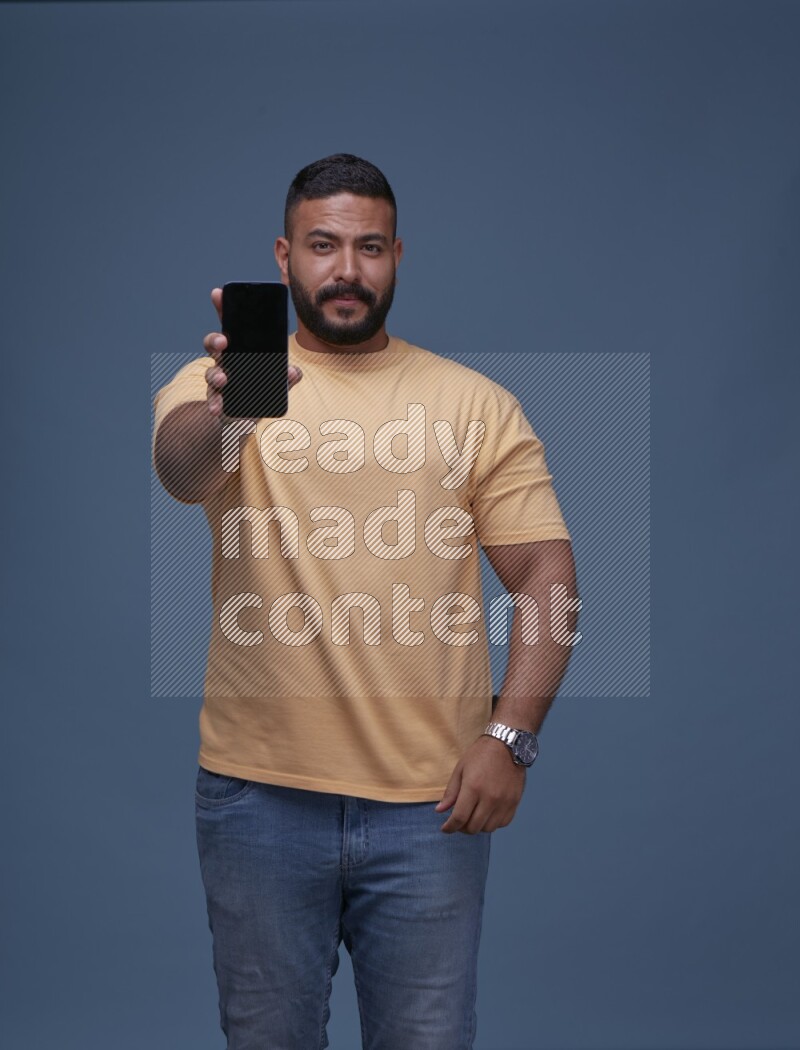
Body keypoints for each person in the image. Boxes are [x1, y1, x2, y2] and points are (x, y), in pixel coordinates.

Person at [152, 153, 578, 1050]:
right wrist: (233, 410)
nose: (346, 269)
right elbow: (183, 473)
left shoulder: (474, 406)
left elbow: (545, 575)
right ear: (283, 256)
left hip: (430, 810)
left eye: (368, 246)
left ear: (396, 256)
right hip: (258, 801)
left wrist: (510, 736)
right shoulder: (226, 386)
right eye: (323, 244)